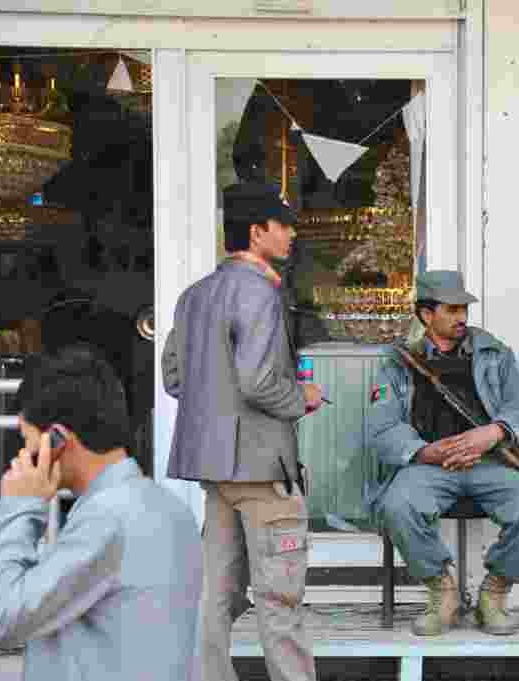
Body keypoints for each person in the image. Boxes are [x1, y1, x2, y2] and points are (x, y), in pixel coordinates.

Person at [162, 182, 324, 681]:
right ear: (258, 233)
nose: (292, 233)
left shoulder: (195, 296)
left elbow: (173, 377)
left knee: (214, 598)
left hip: (216, 470)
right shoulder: (259, 291)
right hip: (262, 468)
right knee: (280, 599)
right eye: (283, 225)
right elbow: (258, 382)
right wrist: (304, 398)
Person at [0, 344, 201, 679]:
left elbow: (2, 619)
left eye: (27, 440)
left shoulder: (108, 520)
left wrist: (19, 505)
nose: (23, 454)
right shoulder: (167, 507)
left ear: (57, 438)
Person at [368, 270, 519, 636]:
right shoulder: (397, 360)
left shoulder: (492, 351)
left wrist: (494, 432)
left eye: (463, 310)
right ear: (426, 315)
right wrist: (424, 451)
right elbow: (382, 426)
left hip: (492, 460)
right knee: (397, 506)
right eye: (452, 309)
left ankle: (494, 593)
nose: (461, 318)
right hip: (429, 464)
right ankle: (443, 593)